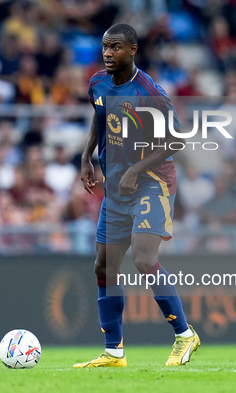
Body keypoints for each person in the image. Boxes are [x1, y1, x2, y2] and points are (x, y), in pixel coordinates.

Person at [73, 24, 200, 369]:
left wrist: (135, 170)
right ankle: (113, 351)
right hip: (116, 188)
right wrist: (87, 156)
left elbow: (176, 141)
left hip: (151, 182)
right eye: (104, 47)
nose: (107, 53)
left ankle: (185, 335)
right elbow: (99, 118)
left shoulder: (149, 92)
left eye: (115, 47)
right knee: (104, 266)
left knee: (144, 259)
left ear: (132, 50)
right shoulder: (98, 83)